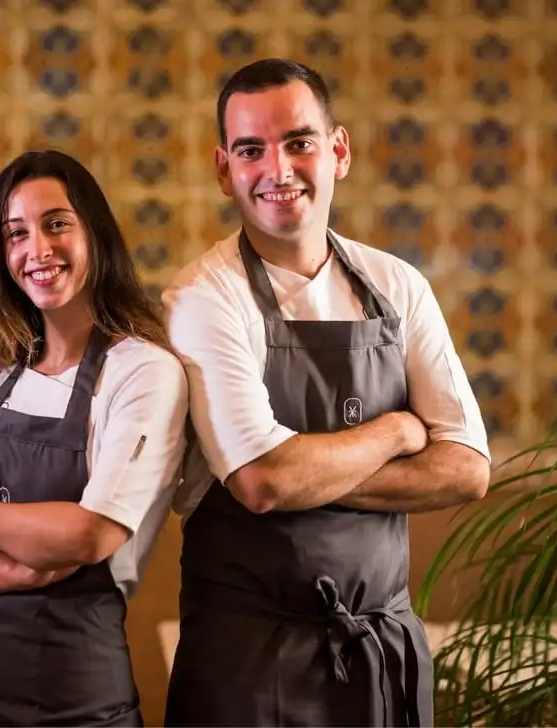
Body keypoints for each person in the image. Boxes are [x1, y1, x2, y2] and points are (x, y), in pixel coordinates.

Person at [161, 59, 493, 727]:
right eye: (252, 150)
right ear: (224, 169)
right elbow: (262, 481)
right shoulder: (204, 298)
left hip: (381, 655)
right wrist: (395, 434)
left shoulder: (398, 287)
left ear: (338, 151)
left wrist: (306, 469)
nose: (277, 169)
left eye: (299, 142)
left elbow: (467, 468)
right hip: (249, 664)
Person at [0, 149, 189, 727]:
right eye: (15, 233)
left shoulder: (143, 372)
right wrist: (25, 572)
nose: (37, 249)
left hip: (70, 703)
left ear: (96, 234)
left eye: (57, 223)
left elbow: (89, 535)